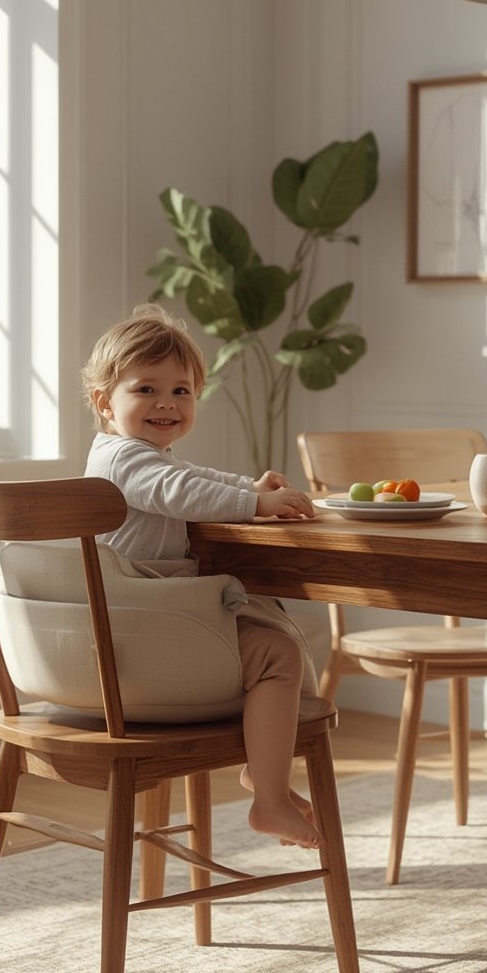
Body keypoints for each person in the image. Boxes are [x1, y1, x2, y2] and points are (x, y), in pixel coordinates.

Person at [81, 303, 322, 849]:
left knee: (273, 635)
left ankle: (265, 772)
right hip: (144, 646)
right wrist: (255, 505)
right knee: (277, 654)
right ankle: (270, 796)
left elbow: (191, 476)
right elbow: (180, 491)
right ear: (104, 402)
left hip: (135, 637)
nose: (166, 402)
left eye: (182, 391)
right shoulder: (127, 462)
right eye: (145, 389)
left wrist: (250, 488)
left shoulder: (136, 456)